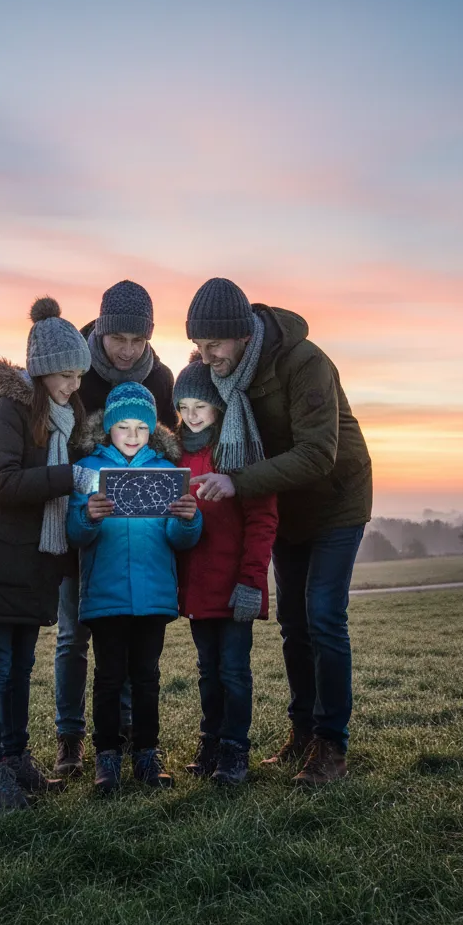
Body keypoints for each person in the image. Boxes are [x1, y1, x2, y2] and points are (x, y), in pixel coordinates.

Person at [185, 277, 372, 785]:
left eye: (213, 344)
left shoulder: (305, 362)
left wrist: (236, 480)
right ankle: (304, 732)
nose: (205, 357)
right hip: (283, 504)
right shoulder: (223, 374)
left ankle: (331, 745)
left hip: (336, 501)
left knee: (323, 616)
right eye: (197, 347)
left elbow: (318, 453)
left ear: (242, 335)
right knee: (293, 621)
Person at [0, 296, 99, 810]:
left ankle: (16, 761)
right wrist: (69, 478)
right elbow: (0, 483)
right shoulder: (6, 409)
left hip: (32, 560)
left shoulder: (60, 417)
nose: (73, 385)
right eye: (65, 374)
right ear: (40, 370)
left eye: (78, 375)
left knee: (19, 668)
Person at [54, 280, 177, 777]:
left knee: (129, 635)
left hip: (138, 530)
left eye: (137, 340)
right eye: (117, 339)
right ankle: (71, 739)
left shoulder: (162, 379)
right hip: (78, 514)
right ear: (100, 331)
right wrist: (82, 501)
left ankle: (127, 735)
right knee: (73, 634)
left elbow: (165, 448)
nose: (127, 351)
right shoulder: (75, 371)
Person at [66, 382, 201, 793]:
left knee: (146, 677)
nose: (131, 435)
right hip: (106, 596)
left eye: (140, 428)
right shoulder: (89, 471)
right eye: (122, 427)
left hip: (153, 595)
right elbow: (75, 533)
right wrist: (88, 515)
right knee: (108, 677)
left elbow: (181, 540)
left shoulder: (164, 471)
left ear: (151, 431)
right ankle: (106, 759)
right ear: (108, 429)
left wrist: (188, 518)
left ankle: (147, 754)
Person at [173, 358, 278, 786]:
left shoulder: (238, 450)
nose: (192, 414)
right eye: (184, 405)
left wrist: (252, 580)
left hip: (235, 584)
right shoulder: (175, 455)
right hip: (197, 584)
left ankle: (235, 748)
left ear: (219, 406)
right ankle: (211, 740)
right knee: (207, 669)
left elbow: (263, 519)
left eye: (201, 404)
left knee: (234, 669)